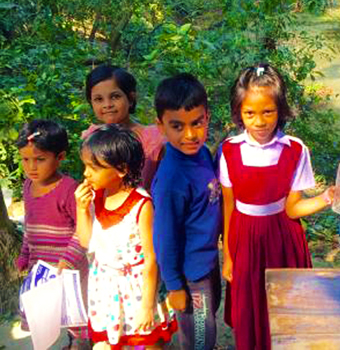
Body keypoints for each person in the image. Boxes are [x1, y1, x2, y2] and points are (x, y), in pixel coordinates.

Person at [219, 63, 335, 350]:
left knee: (285, 308)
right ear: (239, 113)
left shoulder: (295, 150)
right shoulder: (230, 150)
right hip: (244, 238)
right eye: (250, 113)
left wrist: (327, 198)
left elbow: (292, 209)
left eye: (267, 112)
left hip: (282, 239)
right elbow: (229, 207)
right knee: (249, 307)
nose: (259, 121)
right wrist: (229, 256)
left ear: (280, 110)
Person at [74, 124, 176, 349]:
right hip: (106, 286)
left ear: (120, 169)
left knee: (147, 339)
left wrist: (148, 305)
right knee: (106, 341)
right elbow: (86, 242)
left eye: (93, 167)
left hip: (137, 289)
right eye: (85, 166)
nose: (85, 173)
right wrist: (81, 210)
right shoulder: (94, 197)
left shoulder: (142, 204)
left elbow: (151, 258)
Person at [152, 73, 221, 350]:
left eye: (197, 123)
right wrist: (174, 286)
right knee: (200, 338)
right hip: (191, 276)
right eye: (177, 126)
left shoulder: (202, 154)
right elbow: (165, 237)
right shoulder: (171, 179)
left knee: (206, 325)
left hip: (208, 263)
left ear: (207, 117)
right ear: (161, 126)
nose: (190, 135)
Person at [15, 119, 90, 349]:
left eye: (39, 159)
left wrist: (67, 261)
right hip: (42, 270)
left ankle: (79, 345)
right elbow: (30, 224)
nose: (31, 167)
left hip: (70, 270)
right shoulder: (28, 186)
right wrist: (25, 254)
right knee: (46, 314)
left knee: (75, 315)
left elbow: (84, 229)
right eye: (25, 159)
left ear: (60, 157)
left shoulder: (69, 189)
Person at [82, 64, 166, 190]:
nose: (107, 105)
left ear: (131, 98)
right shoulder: (92, 137)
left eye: (115, 97)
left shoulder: (154, 140)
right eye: (99, 99)